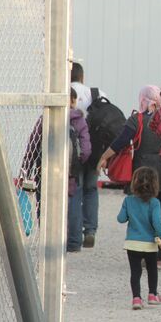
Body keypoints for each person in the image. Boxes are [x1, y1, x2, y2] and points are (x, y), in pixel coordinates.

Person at [98, 85, 161, 268]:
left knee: (142, 212)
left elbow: (120, 142)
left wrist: (104, 157)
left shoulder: (136, 119)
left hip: (143, 172)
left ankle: (143, 252)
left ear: (142, 99)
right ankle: (159, 257)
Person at [117, 166, 161, 310]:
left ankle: (136, 298)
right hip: (149, 244)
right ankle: (152, 294)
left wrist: (128, 213)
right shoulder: (155, 203)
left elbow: (121, 219)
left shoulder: (128, 200)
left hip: (132, 243)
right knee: (152, 269)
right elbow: (157, 222)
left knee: (135, 272)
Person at [70, 62, 105, 248]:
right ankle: (90, 230)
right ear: (82, 76)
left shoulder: (64, 94)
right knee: (91, 190)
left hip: (70, 154)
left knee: (75, 190)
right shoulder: (96, 93)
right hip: (94, 151)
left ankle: (73, 234)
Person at [67, 87, 92, 252]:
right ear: (74, 101)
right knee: (74, 201)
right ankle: (74, 242)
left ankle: (49, 238)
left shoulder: (47, 116)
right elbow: (86, 148)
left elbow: (35, 137)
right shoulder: (79, 119)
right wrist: (78, 160)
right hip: (72, 168)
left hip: (49, 167)